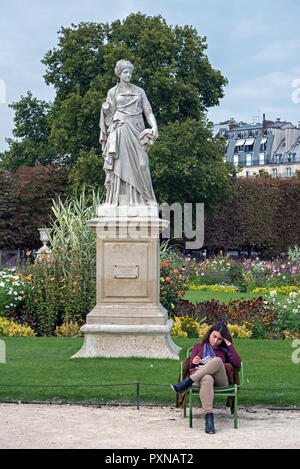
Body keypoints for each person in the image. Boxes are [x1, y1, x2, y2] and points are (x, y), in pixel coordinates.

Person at [99, 59, 158, 206]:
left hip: (137, 129)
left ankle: (148, 198)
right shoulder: (113, 92)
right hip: (120, 129)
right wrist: (106, 109)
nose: (128, 75)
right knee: (120, 165)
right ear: (119, 73)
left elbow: (148, 111)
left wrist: (154, 126)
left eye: (130, 72)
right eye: (125, 72)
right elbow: (108, 113)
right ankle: (120, 201)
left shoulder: (139, 91)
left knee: (143, 165)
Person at [171, 322, 241, 434]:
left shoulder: (225, 350)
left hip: (220, 381)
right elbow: (191, 368)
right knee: (207, 377)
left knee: (217, 360)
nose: (215, 341)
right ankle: (209, 419)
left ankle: (186, 383)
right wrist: (194, 362)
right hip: (201, 380)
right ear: (209, 334)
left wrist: (229, 344)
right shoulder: (198, 347)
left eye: (220, 339)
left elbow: (237, 364)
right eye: (214, 336)